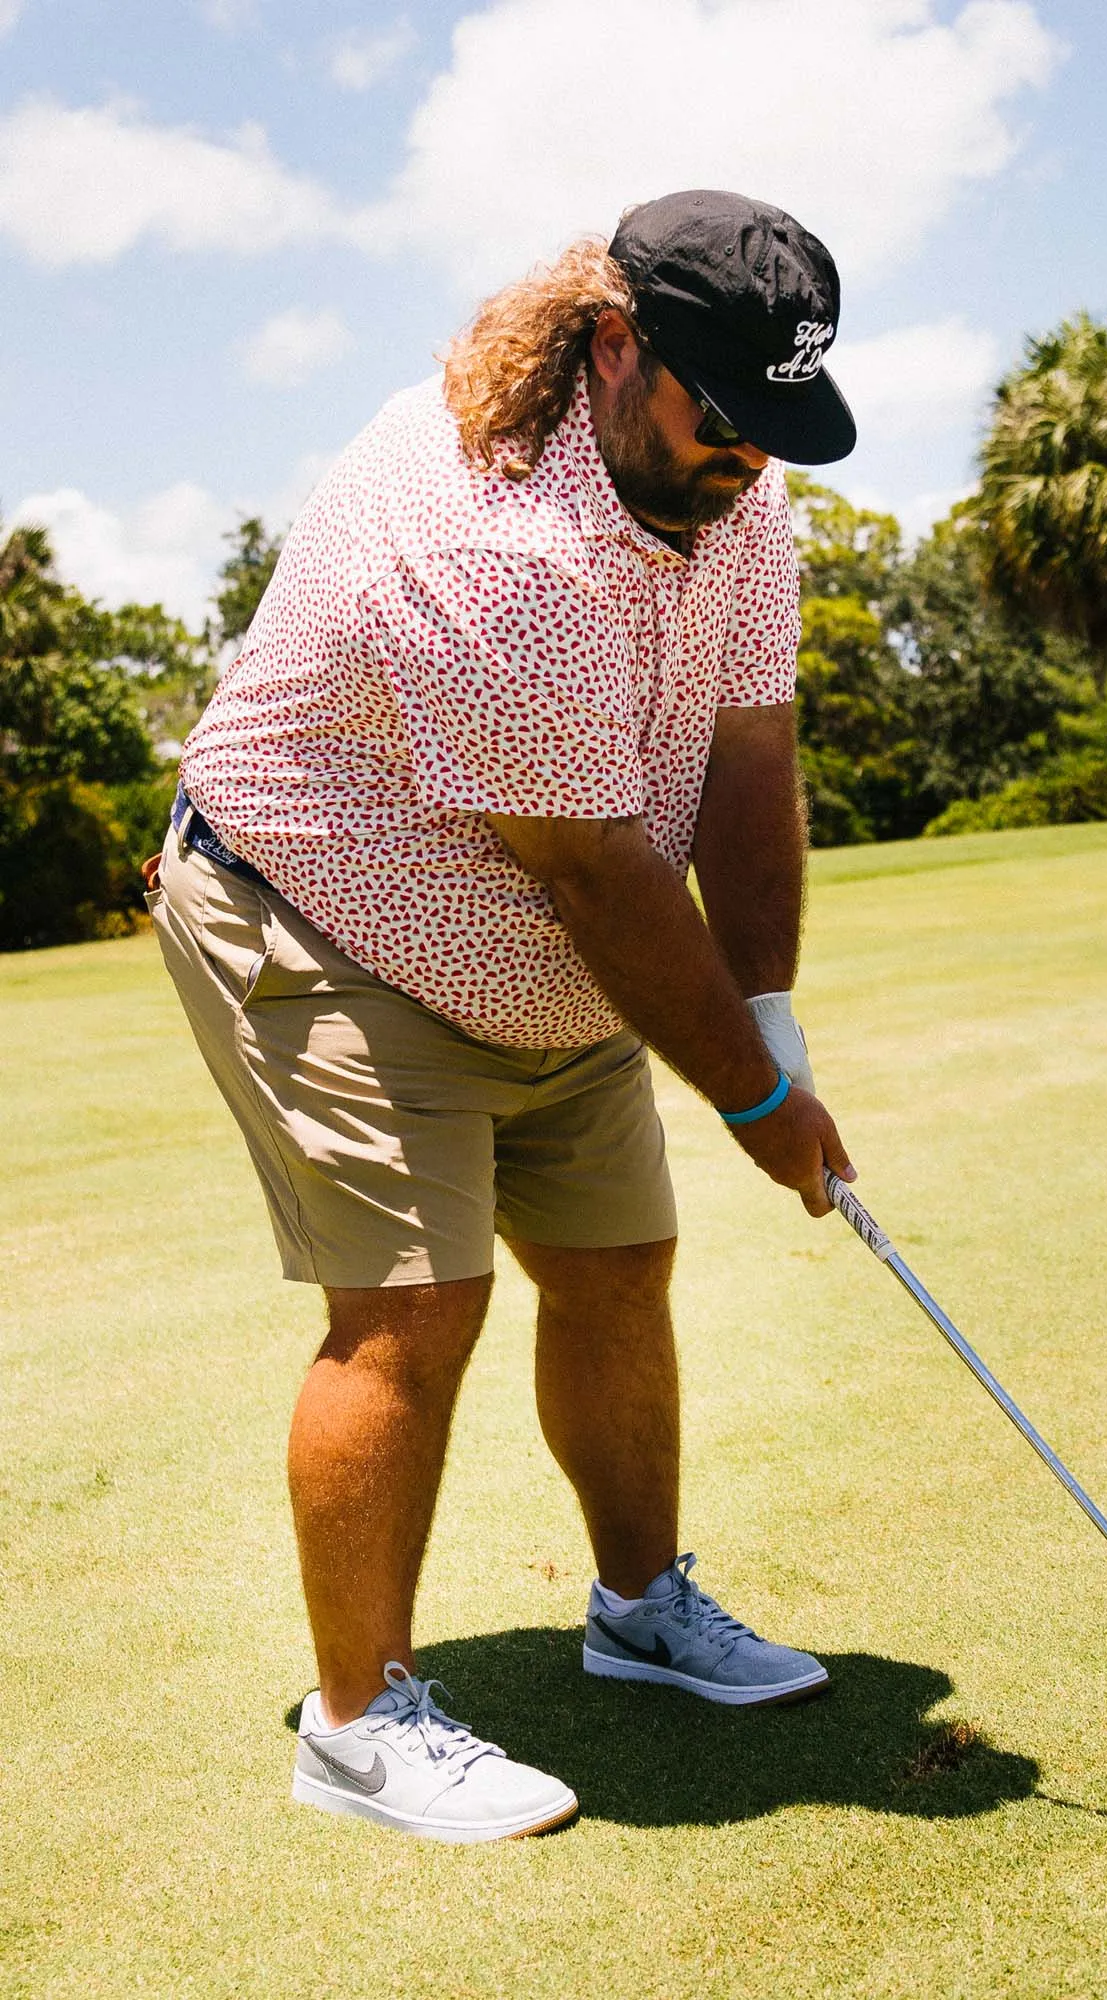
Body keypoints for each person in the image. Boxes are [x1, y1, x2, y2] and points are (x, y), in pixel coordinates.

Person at [146, 189, 859, 1844]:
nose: (748, 461)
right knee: (414, 1305)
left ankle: (638, 1612)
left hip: (533, 943)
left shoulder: (736, 495)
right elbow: (603, 879)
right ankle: (357, 1724)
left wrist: (771, 1014)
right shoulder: (491, 544)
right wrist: (758, 1106)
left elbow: (750, 764)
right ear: (619, 346)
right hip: (321, 907)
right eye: (723, 419)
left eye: (775, 428)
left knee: (618, 1267)